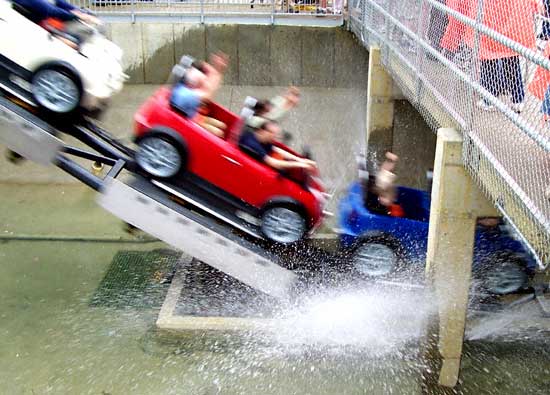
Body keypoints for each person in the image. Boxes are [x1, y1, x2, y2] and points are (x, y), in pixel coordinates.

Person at [170, 53, 228, 136]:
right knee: (219, 132)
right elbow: (207, 95)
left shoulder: (185, 89)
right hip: (192, 119)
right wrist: (217, 72)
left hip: (194, 114)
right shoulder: (188, 94)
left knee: (222, 126)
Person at [12, 0, 100, 48]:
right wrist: (77, 16)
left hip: (54, 25)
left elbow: (60, 3)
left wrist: (82, 13)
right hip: (44, 26)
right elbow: (50, 11)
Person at [238, 120, 317, 173]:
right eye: (272, 133)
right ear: (263, 131)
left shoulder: (262, 138)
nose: (274, 136)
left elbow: (276, 150)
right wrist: (299, 165)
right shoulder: (252, 144)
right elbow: (273, 162)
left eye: (276, 134)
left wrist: (300, 160)